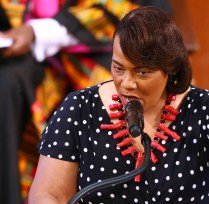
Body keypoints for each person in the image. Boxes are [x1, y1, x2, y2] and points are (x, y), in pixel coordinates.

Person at [28, 6, 209, 203]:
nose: (126, 83)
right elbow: (49, 195)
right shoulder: (79, 108)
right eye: (118, 68)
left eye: (142, 73)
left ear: (169, 70)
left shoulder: (204, 109)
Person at [0, 0, 143, 203]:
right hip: (23, 57)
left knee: (113, 98)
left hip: (98, 48)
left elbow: (127, 11)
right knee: (5, 84)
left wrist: (38, 32)